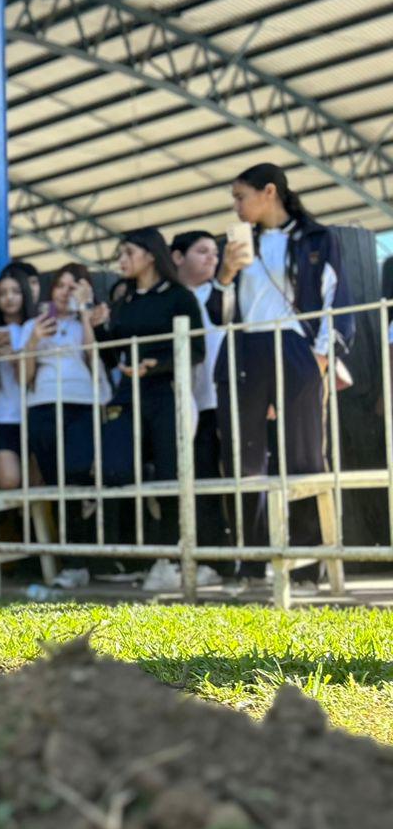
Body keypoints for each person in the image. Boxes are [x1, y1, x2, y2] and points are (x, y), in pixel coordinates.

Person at [214, 163, 353, 590]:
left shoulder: (317, 238)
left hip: (296, 347)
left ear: (269, 191)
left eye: (241, 196)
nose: (235, 206)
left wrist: (322, 357)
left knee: (304, 456)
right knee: (245, 458)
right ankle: (253, 563)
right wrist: (225, 276)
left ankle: (308, 566)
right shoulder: (237, 244)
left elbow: (337, 299)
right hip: (245, 349)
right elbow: (219, 317)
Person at [87, 229, 208, 594]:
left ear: (150, 255)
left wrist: (156, 366)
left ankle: (171, 558)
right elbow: (113, 356)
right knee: (117, 468)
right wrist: (99, 332)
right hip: (127, 395)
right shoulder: (123, 301)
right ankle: (141, 553)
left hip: (165, 393)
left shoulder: (179, 297)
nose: (121, 260)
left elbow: (196, 350)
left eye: (128, 252)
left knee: (172, 475)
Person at [19, 264, 105, 589]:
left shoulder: (88, 319)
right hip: (42, 405)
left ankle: (85, 557)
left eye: (74, 286)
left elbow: (91, 357)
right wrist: (33, 341)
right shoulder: (34, 325)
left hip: (82, 402)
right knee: (58, 485)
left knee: (78, 474)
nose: (65, 292)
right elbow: (24, 377)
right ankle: (73, 562)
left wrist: (84, 313)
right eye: (61, 286)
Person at [171, 231, 234, 573]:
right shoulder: (172, 298)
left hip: (226, 397)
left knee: (240, 476)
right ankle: (213, 558)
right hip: (190, 404)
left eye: (215, 252)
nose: (212, 258)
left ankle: (248, 556)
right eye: (202, 251)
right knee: (203, 482)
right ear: (177, 257)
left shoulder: (224, 292)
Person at [0, 263, 39, 491]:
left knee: (37, 482)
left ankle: (33, 526)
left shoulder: (36, 326)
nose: (9, 298)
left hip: (35, 410)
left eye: (16, 291)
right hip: (3, 415)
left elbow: (27, 376)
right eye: (2, 293)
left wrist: (13, 356)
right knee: (8, 480)